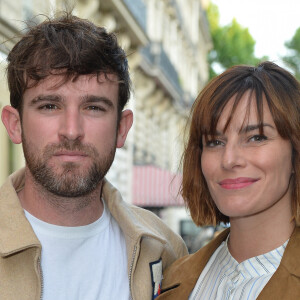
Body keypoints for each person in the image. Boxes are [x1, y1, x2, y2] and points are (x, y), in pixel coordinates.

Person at [0, 13, 188, 300]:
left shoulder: (164, 249)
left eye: (94, 108)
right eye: (50, 106)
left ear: (121, 128)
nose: (72, 131)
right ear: (15, 125)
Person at [157, 61, 300, 299]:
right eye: (215, 142)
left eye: (256, 137)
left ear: (295, 150)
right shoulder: (172, 279)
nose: (229, 159)